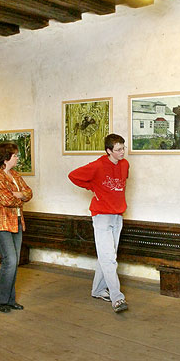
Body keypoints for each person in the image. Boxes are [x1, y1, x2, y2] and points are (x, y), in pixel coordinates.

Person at [68, 133, 130, 313]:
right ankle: (117, 299)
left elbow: (121, 183)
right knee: (109, 259)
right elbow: (73, 176)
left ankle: (97, 290)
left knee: (107, 257)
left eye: (123, 148)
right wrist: (93, 187)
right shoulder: (98, 165)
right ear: (108, 151)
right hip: (101, 217)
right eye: (118, 150)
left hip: (118, 216)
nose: (122, 152)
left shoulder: (125, 165)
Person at [0, 142, 33, 313]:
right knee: (10, 260)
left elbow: (29, 192)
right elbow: (6, 199)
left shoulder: (15, 175)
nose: (17, 158)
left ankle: (9, 300)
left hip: (16, 222)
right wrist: (19, 196)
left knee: (14, 261)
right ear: (6, 159)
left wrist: (17, 194)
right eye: (15, 156)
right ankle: (0, 299)